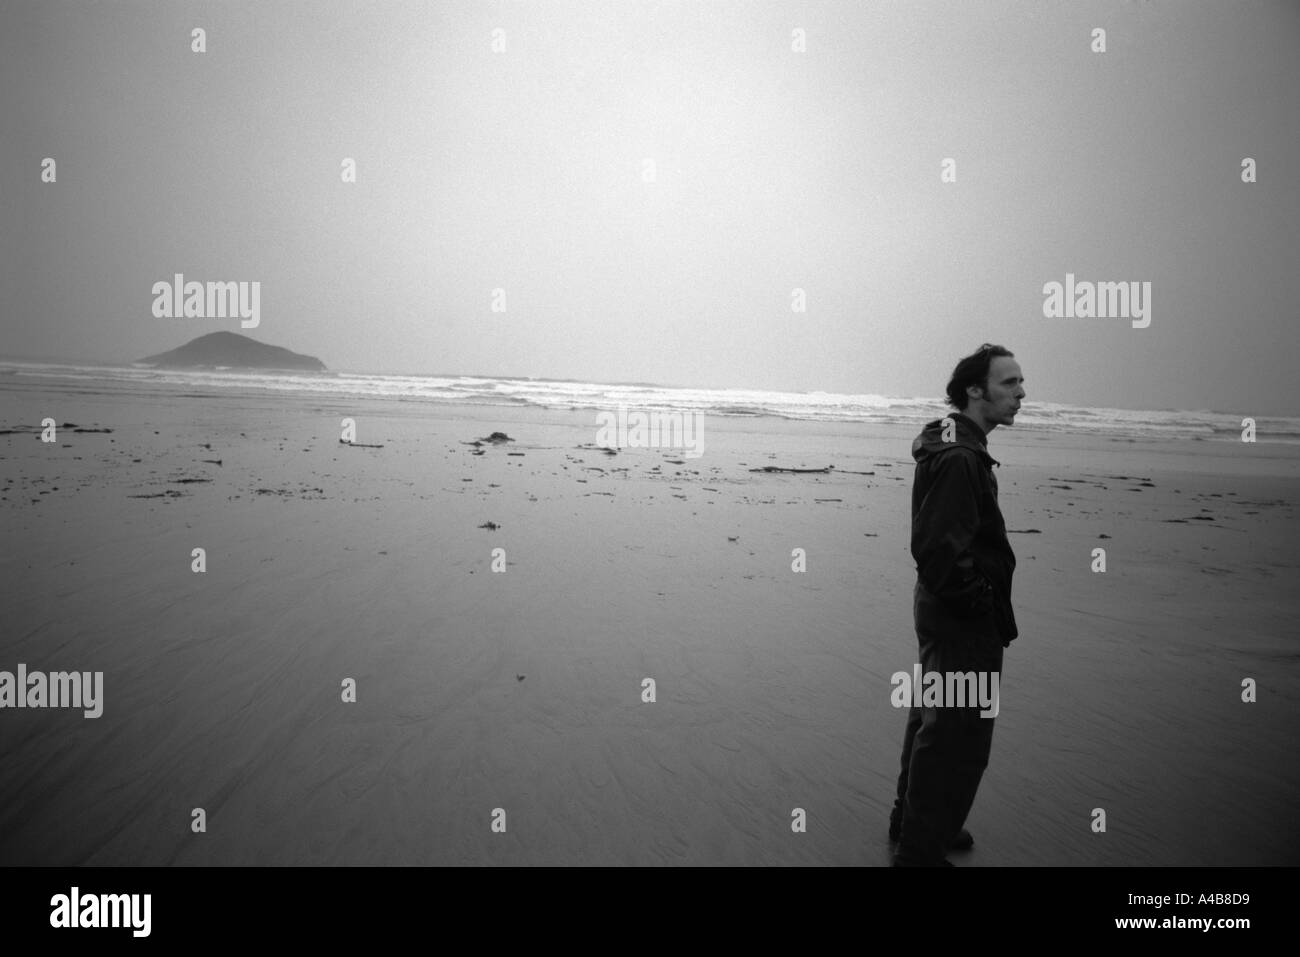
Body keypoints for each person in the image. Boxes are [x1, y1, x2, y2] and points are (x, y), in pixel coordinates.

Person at [889, 343, 1024, 866]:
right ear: (975, 390)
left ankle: (917, 824)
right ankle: (921, 848)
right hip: (960, 614)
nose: (1020, 393)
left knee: (933, 716)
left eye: (1019, 383)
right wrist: (980, 601)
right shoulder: (961, 456)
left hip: (943, 608)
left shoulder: (956, 445)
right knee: (957, 734)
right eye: (1008, 383)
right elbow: (940, 549)